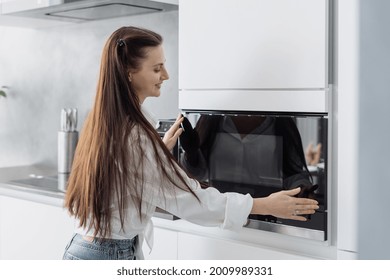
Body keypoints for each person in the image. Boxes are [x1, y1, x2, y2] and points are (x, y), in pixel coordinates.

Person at [62, 26, 319, 260]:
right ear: (129, 73)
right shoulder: (137, 136)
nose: (166, 75)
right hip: (106, 255)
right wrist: (264, 204)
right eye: (156, 68)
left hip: (83, 249)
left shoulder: (105, 121)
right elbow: (191, 200)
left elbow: (125, 174)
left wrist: (158, 152)